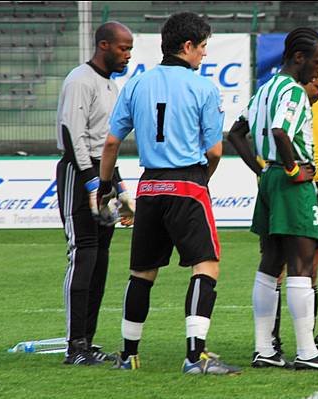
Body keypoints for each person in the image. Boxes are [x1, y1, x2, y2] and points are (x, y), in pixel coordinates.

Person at [97, 12, 240, 375]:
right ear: (188, 46)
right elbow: (214, 152)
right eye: (203, 46)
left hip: (149, 187)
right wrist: (201, 183)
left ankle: (128, 356)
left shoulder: (136, 84)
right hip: (187, 185)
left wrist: (105, 186)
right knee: (206, 265)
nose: (205, 54)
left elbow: (112, 141)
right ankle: (196, 356)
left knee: (142, 272)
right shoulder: (203, 87)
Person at [228, 28, 318, 370]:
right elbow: (281, 131)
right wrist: (293, 170)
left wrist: (261, 170)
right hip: (293, 183)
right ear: (299, 58)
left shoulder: (266, 89)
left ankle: (264, 349)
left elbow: (236, 132)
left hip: (270, 180)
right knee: (301, 266)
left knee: (269, 265)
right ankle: (307, 352)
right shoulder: (293, 91)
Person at [56, 21, 134, 366]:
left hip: (101, 180)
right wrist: (90, 181)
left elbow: (108, 145)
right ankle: (75, 346)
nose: (127, 55)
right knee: (84, 254)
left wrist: (118, 188)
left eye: (129, 49)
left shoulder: (111, 86)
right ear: (103, 45)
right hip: (79, 176)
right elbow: (71, 134)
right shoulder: (80, 80)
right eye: (122, 48)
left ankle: (88, 343)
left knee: (100, 260)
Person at [267, 59, 318, 358]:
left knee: (311, 271)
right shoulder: (289, 97)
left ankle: (308, 342)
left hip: (316, 188)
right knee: (276, 268)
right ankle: (271, 340)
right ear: (308, 75)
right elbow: (272, 138)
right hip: (288, 185)